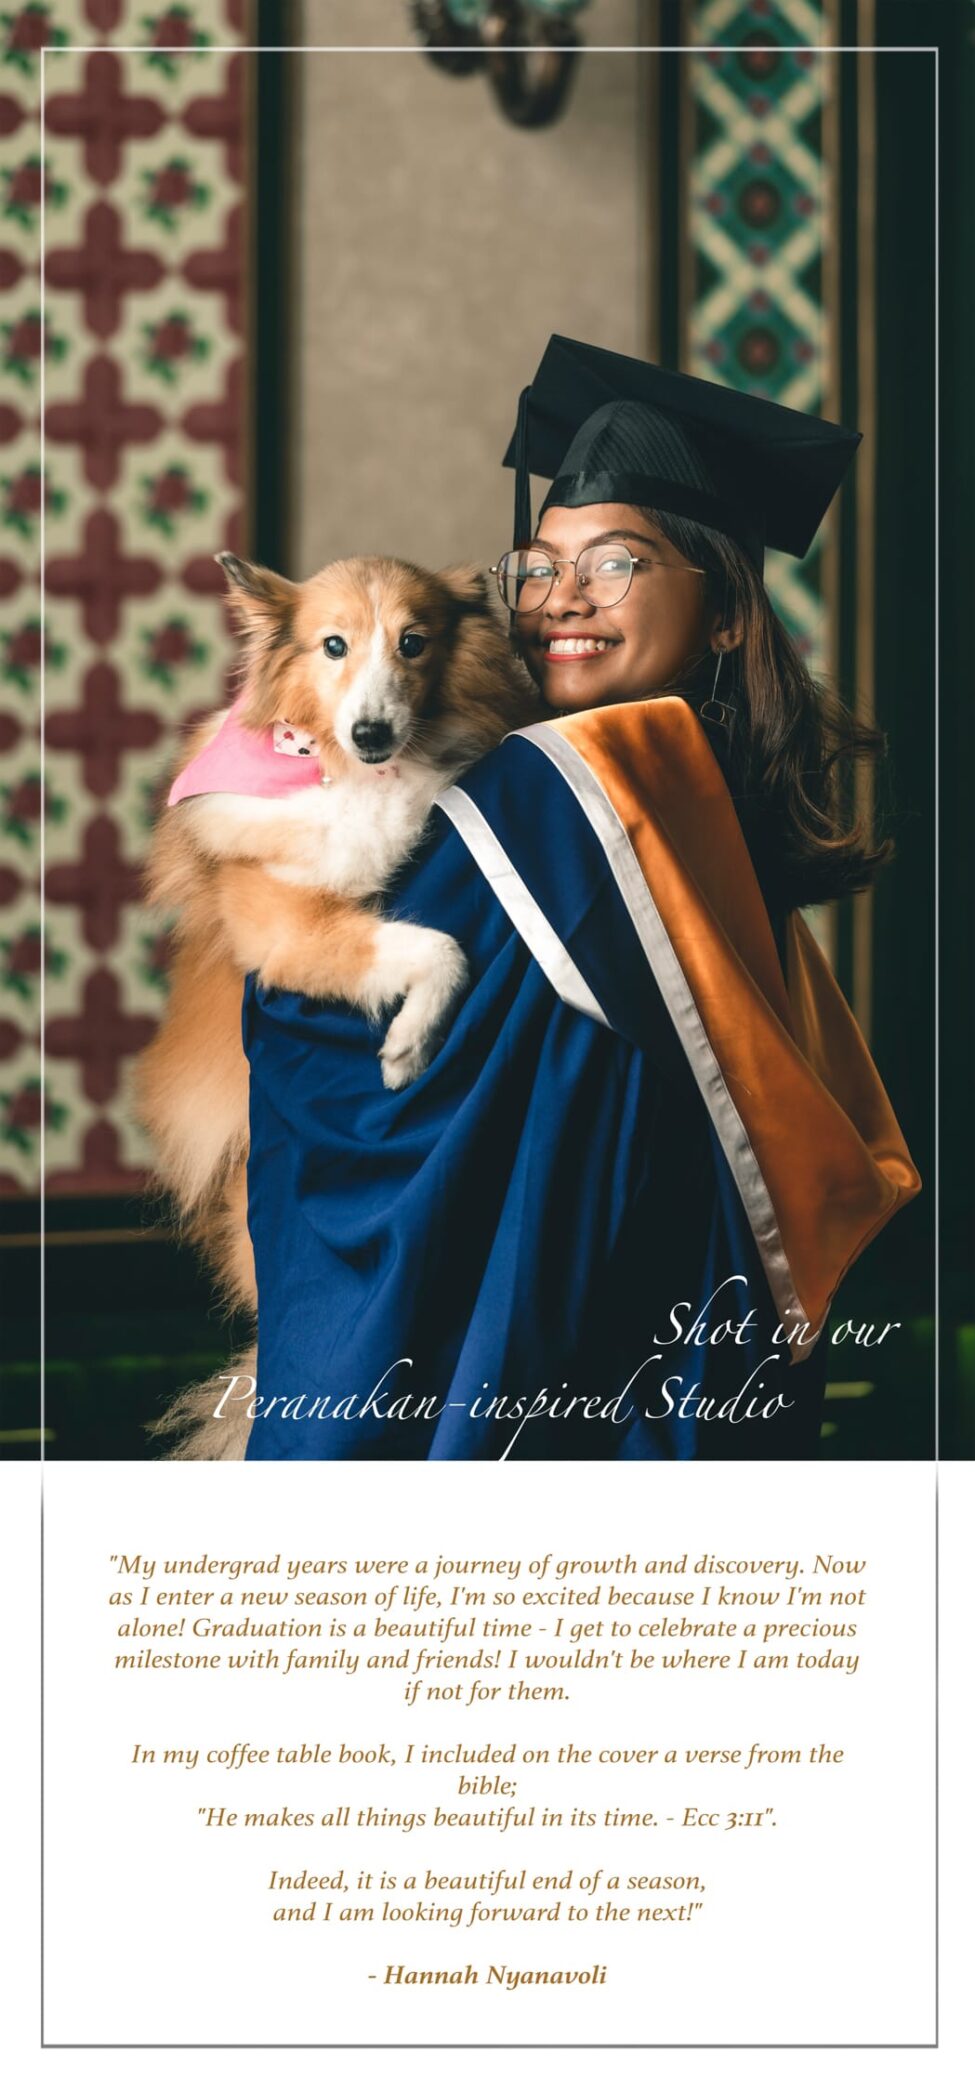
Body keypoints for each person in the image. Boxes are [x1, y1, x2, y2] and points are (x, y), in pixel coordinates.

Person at [240, 336, 920, 1463]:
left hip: (593, 1369)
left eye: (616, 563)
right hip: (621, 1380)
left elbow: (332, 1062)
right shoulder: (627, 799)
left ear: (729, 612)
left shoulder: (582, 794)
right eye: (541, 565)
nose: (561, 599)